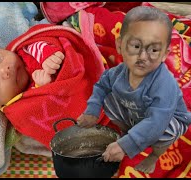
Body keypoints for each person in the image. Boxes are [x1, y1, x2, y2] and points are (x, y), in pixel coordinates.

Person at [77, 6, 191, 174]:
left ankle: (153, 157)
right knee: (109, 99)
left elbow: (156, 122)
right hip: (137, 112)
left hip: (167, 119)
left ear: (165, 54)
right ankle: (129, 132)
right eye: (136, 46)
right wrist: (92, 110)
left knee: (164, 130)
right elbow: (101, 87)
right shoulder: (117, 73)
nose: (143, 57)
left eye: (154, 50)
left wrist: (125, 146)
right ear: (120, 45)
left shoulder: (163, 84)